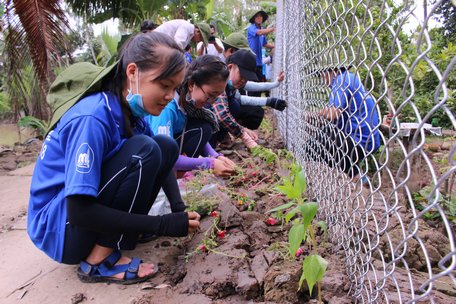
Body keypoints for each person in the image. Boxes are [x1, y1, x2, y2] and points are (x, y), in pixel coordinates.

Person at [27, 31, 201, 285]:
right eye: (164, 86)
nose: (169, 96)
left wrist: (179, 212)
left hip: (73, 220)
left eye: (174, 88)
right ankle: (98, 262)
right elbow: (78, 213)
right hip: (60, 231)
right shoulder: (93, 118)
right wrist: (161, 224)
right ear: (133, 72)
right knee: (145, 150)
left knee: (163, 146)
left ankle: (124, 234)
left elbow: (162, 160)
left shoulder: (128, 112)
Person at [145, 55, 235, 177]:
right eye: (210, 95)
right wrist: (210, 163)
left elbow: (201, 138)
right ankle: (176, 174)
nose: (212, 101)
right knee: (203, 129)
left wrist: (215, 156)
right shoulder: (168, 108)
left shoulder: (188, 104)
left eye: (216, 97)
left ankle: (181, 171)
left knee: (204, 128)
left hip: (167, 153)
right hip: (152, 160)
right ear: (192, 84)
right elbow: (164, 155)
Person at [312, 66, 381, 181]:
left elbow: (332, 113)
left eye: (321, 75)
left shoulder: (340, 80)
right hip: (366, 140)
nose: (322, 80)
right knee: (326, 132)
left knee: (316, 143)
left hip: (358, 140)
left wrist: (311, 115)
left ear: (330, 71)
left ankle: (352, 175)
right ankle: (355, 174)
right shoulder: (351, 77)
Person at [210, 49, 285, 150]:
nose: (243, 81)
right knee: (235, 107)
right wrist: (244, 135)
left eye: (246, 78)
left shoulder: (231, 83)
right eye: (241, 75)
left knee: (235, 105)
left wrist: (269, 100)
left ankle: (219, 138)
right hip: (200, 122)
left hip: (212, 118)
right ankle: (210, 145)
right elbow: (222, 115)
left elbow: (242, 98)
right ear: (230, 67)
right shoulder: (219, 81)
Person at [246, 10, 275, 97]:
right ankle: (250, 107)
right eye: (257, 16)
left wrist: (274, 47)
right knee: (252, 85)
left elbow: (265, 44)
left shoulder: (262, 31)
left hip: (259, 62)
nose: (259, 17)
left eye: (261, 16)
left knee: (258, 85)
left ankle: (257, 106)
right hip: (251, 62)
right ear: (254, 19)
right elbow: (259, 33)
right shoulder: (251, 28)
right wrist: (273, 29)